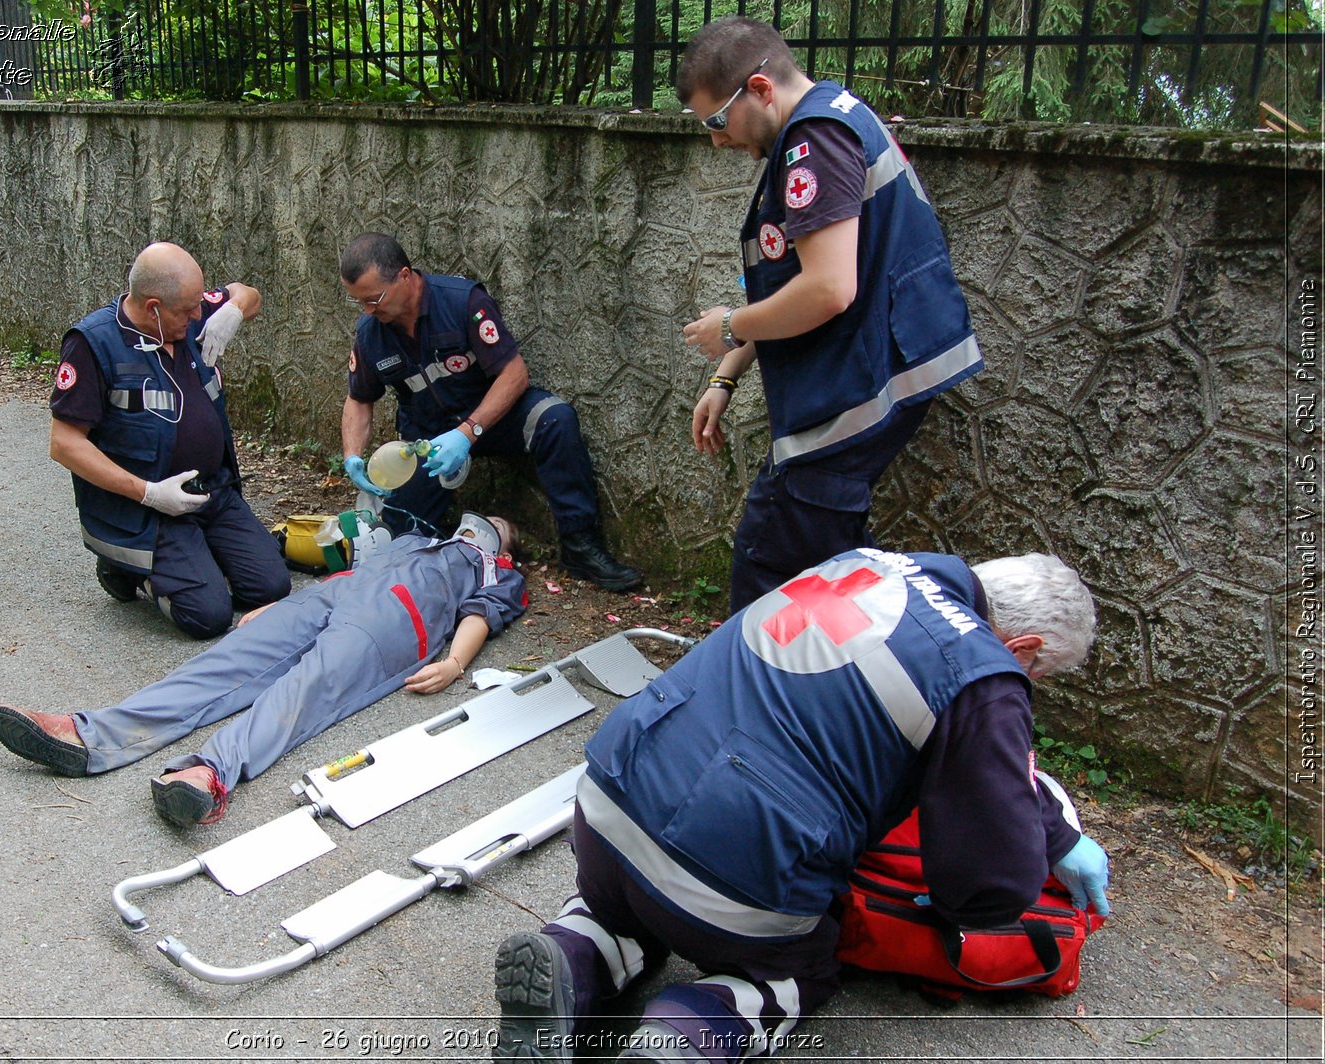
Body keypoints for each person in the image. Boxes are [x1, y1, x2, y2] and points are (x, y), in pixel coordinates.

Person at [492, 548, 1111, 1062]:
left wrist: (1057, 834)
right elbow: (987, 876)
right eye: (1038, 676)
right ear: (1022, 646)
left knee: (625, 902)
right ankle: (683, 1038)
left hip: (608, 799)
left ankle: (576, 950)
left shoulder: (870, 562)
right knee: (801, 967)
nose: (1027, 689)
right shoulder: (985, 672)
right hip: (729, 862)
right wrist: (994, 890)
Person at [677, 18, 984, 614]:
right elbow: (792, 280)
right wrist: (727, 375)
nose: (716, 141)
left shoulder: (814, 140)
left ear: (761, 89)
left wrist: (728, 328)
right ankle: (850, 686)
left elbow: (826, 289)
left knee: (772, 556)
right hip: (870, 370)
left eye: (717, 122)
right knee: (826, 559)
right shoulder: (825, 122)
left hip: (869, 378)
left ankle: (763, 695)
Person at [0, 514, 527, 828]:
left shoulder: (498, 570)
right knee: (222, 663)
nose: (482, 525)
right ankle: (95, 735)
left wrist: (455, 662)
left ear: (503, 545)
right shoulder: (416, 539)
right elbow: (353, 567)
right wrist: (282, 605)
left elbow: (483, 613)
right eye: (483, 518)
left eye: (495, 527)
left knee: (303, 690)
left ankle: (210, 772)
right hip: (332, 595)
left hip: (393, 622)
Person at [338, 232, 643, 593]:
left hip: (492, 419)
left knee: (555, 418)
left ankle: (579, 546)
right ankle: (450, 548)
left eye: (374, 300)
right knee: (401, 542)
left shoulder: (462, 302)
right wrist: (352, 455)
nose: (369, 310)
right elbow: (359, 399)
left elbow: (514, 374)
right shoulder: (371, 332)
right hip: (429, 441)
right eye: (360, 303)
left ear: (404, 276)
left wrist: (467, 433)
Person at [49, 242, 290, 639]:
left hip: (212, 491)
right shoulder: (94, 344)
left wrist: (233, 310)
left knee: (271, 587)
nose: (198, 315)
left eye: (201, 305)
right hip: (148, 506)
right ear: (153, 307)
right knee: (208, 616)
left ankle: (194, 561)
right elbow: (64, 443)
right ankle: (128, 571)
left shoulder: (189, 310)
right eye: (187, 311)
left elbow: (248, 293)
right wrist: (147, 493)